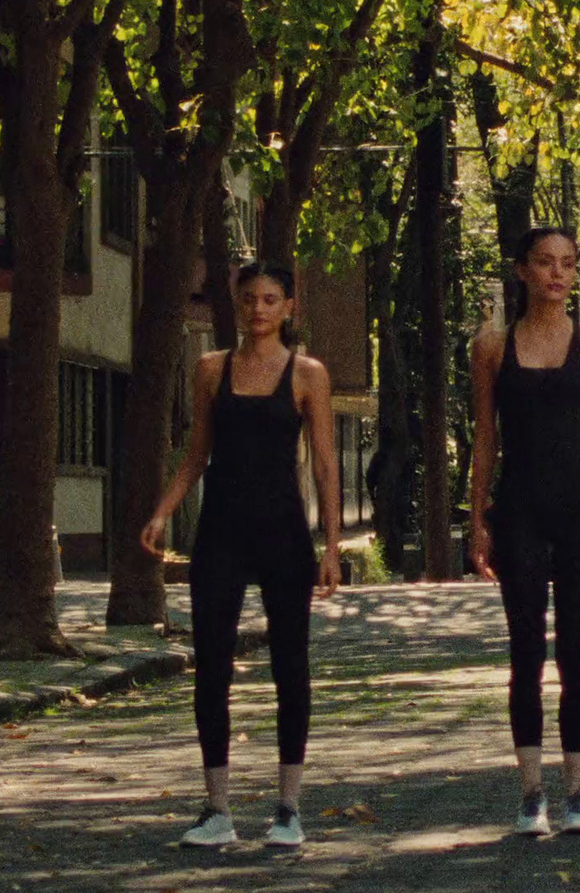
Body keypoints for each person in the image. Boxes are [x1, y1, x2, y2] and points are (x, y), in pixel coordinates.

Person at [141, 264, 342, 848]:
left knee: (290, 666)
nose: (259, 308)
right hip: (221, 531)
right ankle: (217, 809)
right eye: (249, 298)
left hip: (283, 531)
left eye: (270, 299)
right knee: (212, 667)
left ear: (289, 308)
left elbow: (327, 464)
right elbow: (195, 454)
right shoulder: (210, 369)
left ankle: (287, 808)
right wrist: (162, 510)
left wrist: (330, 545)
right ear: (236, 304)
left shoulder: (307, 374)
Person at [468, 227, 580, 837]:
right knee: (525, 657)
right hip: (518, 513)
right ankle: (530, 795)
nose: (556, 274)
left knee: (575, 655)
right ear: (522, 271)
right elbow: (486, 441)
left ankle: (577, 793)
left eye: (567, 265)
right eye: (544, 263)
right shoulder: (493, 347)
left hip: (579, 512)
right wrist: (477, 521)